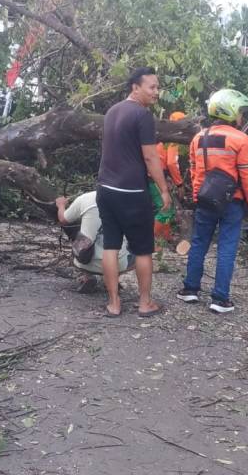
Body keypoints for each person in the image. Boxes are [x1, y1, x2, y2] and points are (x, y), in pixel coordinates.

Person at [177, 88, 248, 314]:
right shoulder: (242, 140)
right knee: (227, 248)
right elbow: (247, 176)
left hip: (205, 201)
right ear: (231, 112)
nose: (242, 117)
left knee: (199, 243)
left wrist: (197, 197)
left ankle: (190, 290)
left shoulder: (198, 138)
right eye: (240, 112)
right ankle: (220, 299)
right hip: (232, 203)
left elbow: (195, 172)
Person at [96, 67, 171, 317]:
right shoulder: (142, 115)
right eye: (152, 87)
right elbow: (150, 157)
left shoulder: (112, 112)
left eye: (157, 87)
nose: (156, 92)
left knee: (110, 245)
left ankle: (114, 304)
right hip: (131, 191)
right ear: (135, 88)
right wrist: (163, 190)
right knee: (142, 249)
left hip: (105, 188)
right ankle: (145, 303)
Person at [55, 192, 134, 293]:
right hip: (118, 263)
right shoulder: (129, 200)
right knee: (140, 252)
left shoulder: (85, 198)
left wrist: (61, 205)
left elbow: (63, 219)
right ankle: (112, 279)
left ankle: (87, 277)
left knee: (80, 234)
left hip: (85, 260)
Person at [152, 111, 186, 245]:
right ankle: (153, 242)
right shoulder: (173, 140)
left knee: (166, 207)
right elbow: (172, 163)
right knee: (165, 208)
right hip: (155, 175)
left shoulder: (165, 136)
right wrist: (179, 184)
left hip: (156, 173)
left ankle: (166, 237)